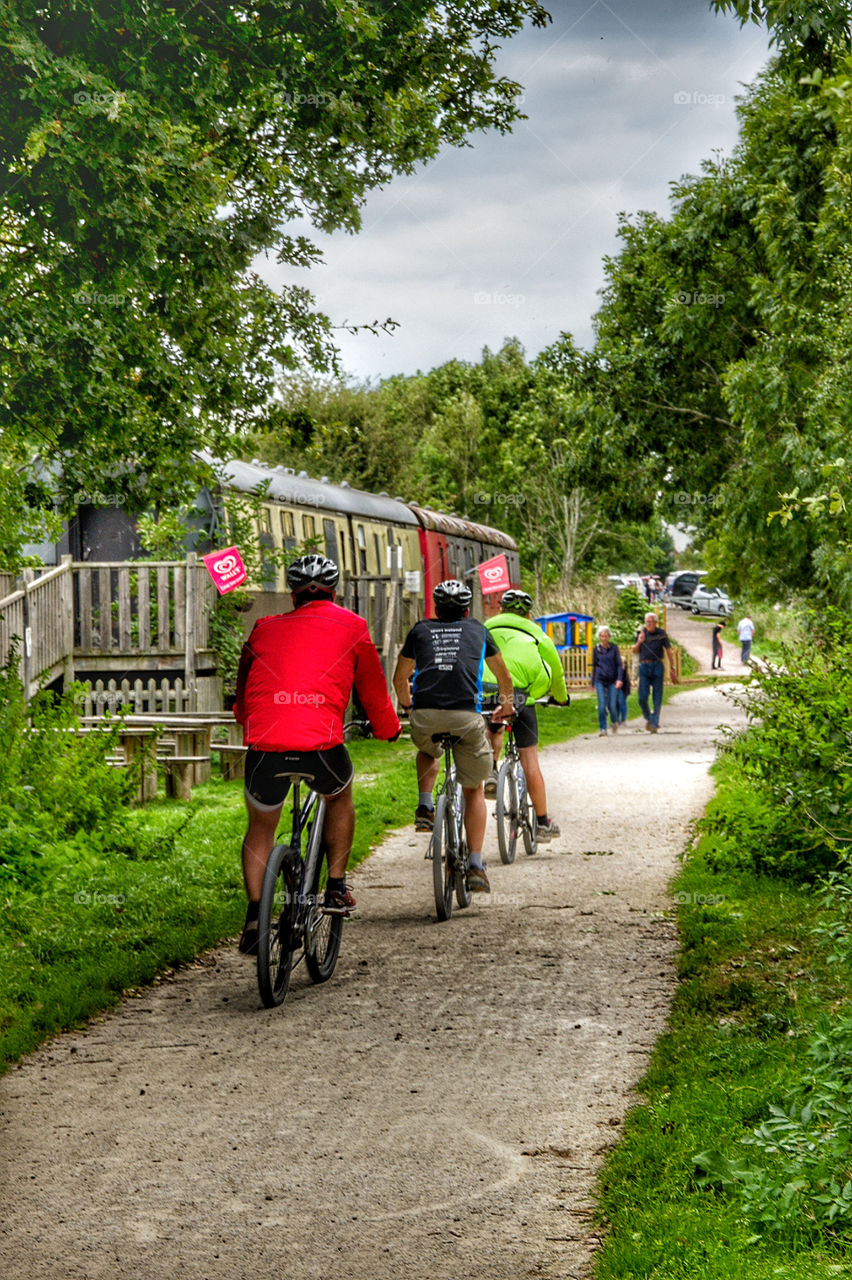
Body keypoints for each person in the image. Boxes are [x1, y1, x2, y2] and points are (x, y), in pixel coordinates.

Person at [233, 554, 401, 954]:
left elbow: (241, 695)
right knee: (339, 794)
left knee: (260, 826)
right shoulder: (354, 627)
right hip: (321, 749)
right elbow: (374, 693)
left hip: (264, 748)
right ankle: (337, 887)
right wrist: (387, 730)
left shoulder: (262, 628)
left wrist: (248, 720)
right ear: (335, 590)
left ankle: (255, 915)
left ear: (292, 594)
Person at [392, 579, 515, 893]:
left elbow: (399, 678)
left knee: (428, 750)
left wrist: (408, 708)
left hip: (425, 715)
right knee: (473, 790)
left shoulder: (419, 630)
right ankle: (475, 865)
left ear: (435, 609)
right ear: (466, 609)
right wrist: (505, 708)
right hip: (466, 716)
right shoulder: (478, 630)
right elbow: (503, 677)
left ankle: (424, 807)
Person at [481, 589, 568, 841]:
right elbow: (557, 671)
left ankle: (491, 771)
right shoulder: (537, 633)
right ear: (529, 613)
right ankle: (542, 823)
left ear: (500, 609)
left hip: (489, 692)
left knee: (493, 726)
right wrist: (560, 698)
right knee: (530, 761)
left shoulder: (486, 627)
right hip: (521, 697)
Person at [632, 611, 678, 733]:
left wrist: (672, 668)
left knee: (657, 696)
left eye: (651, 622)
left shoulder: (661, 633)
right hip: (644, 666)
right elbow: (635, 650)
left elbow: (668, 650)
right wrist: (640, 641)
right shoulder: (640, 634)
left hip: (657, 665)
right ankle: (649, 717)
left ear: (656, 623)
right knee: (642, 697)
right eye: (647, 622)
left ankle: (654, 722)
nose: (649, 624)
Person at [590, 625, 622, 736]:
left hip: (612, 680)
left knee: (612, 705)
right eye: (602, 636)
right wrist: (593, 682)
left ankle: (614, 722)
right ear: (599, 637)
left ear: (609, 636)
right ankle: (603, 728)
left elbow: (619, 664)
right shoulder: (596, 649)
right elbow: (594, 665)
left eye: (606, 636)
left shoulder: (614, 648)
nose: (604, 638)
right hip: (600, 679)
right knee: (602, 705)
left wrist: (619, 679)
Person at [615, 648, 631, 725]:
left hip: (624, 687)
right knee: (616, 703)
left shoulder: (623, 669)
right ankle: (617, 720)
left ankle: (623, 720)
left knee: (622, 702)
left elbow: (624, 680)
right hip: (617, 687)